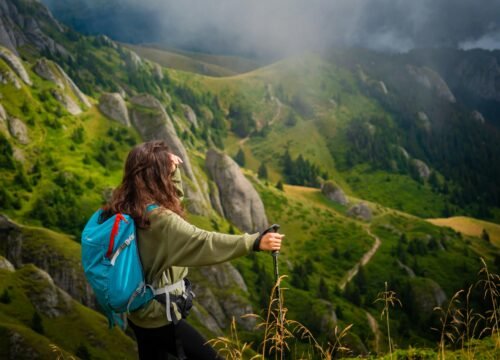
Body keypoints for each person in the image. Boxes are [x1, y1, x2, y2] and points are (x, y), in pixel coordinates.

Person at [101, 140, 284, 359]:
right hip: (161, 316)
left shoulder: (126, 205)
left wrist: (173, 171)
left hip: (139, 311)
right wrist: (255, 242)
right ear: (157, 176)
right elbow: (204, 241)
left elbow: (169, 203)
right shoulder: (160, 220)